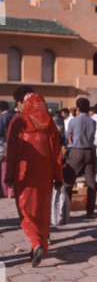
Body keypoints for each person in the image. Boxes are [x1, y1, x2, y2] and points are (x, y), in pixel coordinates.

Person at [5, 92, 63, 267]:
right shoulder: (50, 124)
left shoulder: (18, 121)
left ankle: (36, 244)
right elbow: (56, 153)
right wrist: (58, 177)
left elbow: (12, 152)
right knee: (42, 212)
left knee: (26, 212)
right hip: (45, 175)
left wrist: (8, 175)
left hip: (24, 176)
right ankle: (39, 246)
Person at [63, 98, 97, 219]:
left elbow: (67, 135)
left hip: (77, 151)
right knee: (91, 182)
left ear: (77, 108)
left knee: (67, 182)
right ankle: (90, 211)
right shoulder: (93, 121)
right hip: (89, 151)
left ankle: (65, 210)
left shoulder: (74, 121)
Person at [0, 101, 15, 198]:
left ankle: (4, 192)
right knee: (12, 168)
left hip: (4, 144)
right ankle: (11, 191)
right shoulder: (14, 117)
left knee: (3, 170)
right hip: (14, 145)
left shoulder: (1, 118)